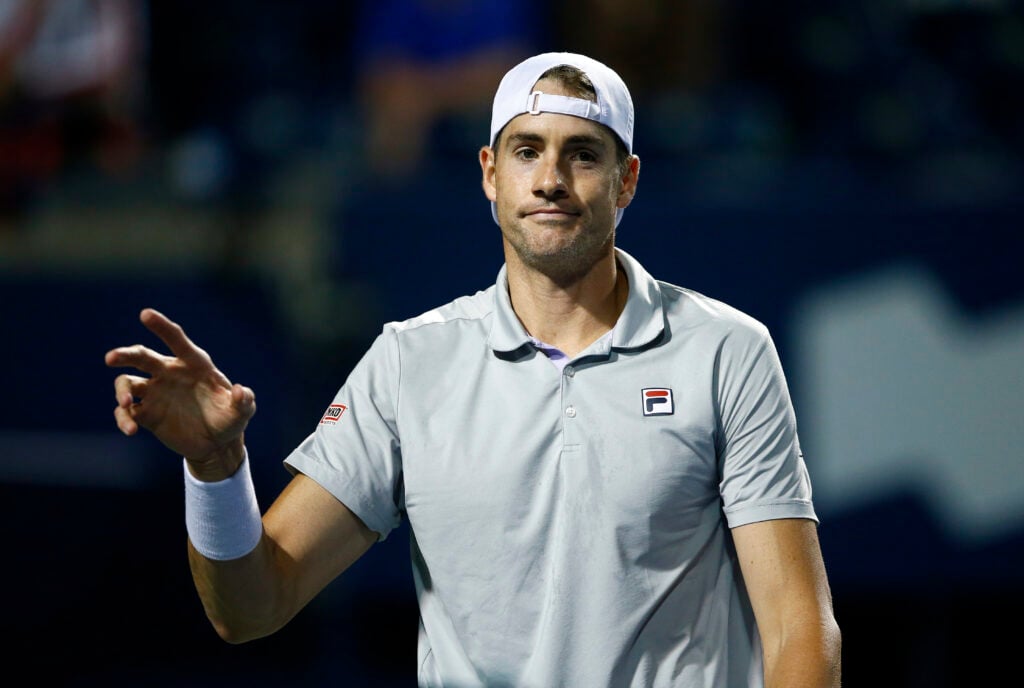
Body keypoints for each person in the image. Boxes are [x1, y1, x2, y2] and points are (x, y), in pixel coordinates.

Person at [105, 52, 841, 687]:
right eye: (527, 151)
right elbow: (251, 607)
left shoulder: (726, 351)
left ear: (627, 181)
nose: (550, 179)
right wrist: (215, 468)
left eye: (584, 154)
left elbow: (798, 630)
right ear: (490, 173)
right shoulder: (408, 362)